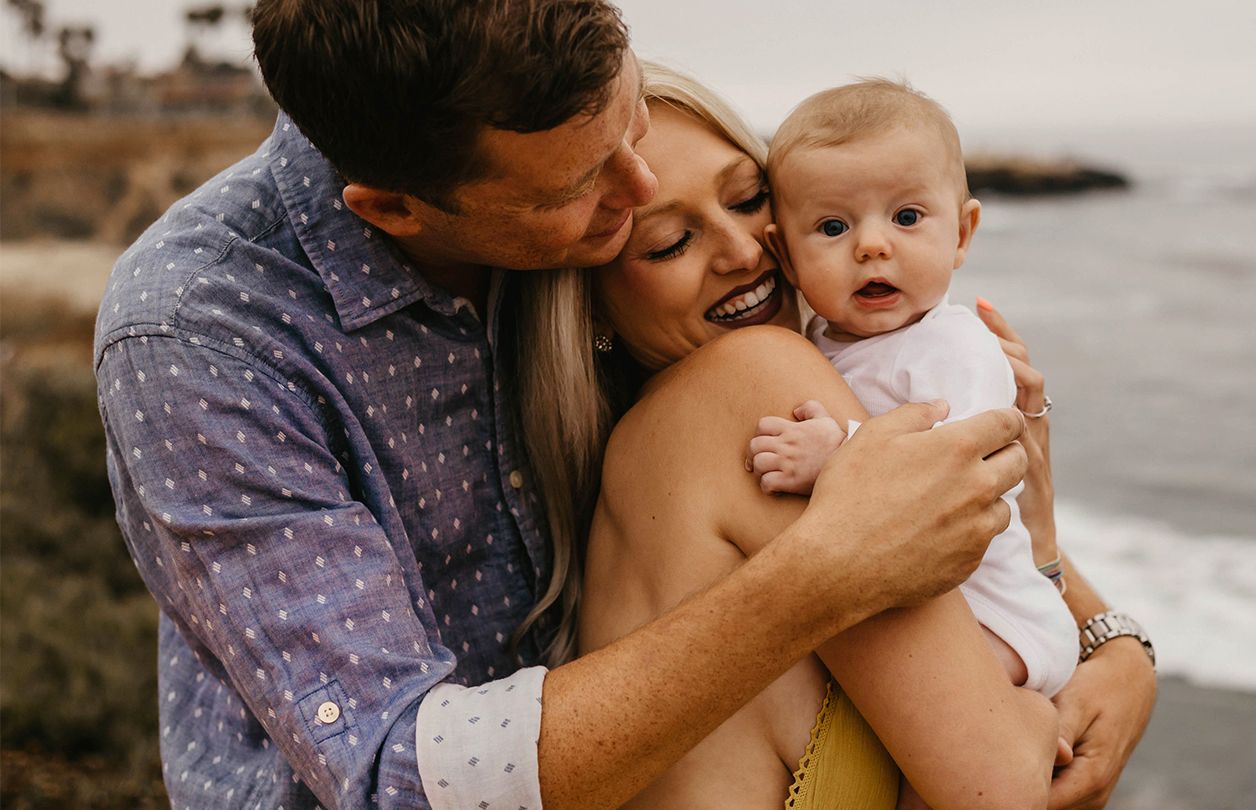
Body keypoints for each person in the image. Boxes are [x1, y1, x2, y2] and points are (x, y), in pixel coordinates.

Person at [89, 2, 1153, 808]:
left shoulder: (615, 238)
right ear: (397, 209)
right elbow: (387, 771)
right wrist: (827, 570)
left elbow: (953, 529)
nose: (638, 189)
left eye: (744, 195)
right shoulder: (200, 334)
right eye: (590, 195)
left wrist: (1109, 638)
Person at [567, 65, 1157, 807]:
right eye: (668, 242)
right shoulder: (754, 378)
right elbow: (1008, 782)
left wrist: (1115, 640)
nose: (747, 253)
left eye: (749, 201)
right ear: (589, 301)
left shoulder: (661, 436)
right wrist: (1070, 615)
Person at [748, 78, 1079, 700]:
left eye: (906, 217)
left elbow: (962, 471)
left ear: (960, 233)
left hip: (1004, 620)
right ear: (786, 259)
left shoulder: (954, 345)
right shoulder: (815, 344)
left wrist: (835, 453)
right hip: (928, 602)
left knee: (936, 741)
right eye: (832, 226)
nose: (872, 245)